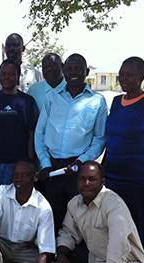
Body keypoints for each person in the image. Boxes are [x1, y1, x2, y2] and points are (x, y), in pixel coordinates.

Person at [56, 161, 144, 263]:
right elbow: (68, 232)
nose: (86, 183)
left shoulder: (113, 204)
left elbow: (118, 244)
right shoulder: (74, 203)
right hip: (98, 261)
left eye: (92, 179)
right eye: (82, 179)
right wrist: (61, 256)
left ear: (102, 182)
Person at [35, 53, 108, 235]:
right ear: (63, 71)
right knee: (52, 216)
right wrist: (45, 163)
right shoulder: (52, 97)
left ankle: (73, 260)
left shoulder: (97, 101)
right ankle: (52, 256)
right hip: (52, 168)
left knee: (79, 220)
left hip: (79, 168)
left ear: (87, 71)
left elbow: (100, 138)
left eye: (77, 68)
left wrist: (81, 161)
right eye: (69, 68)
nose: (72, 72)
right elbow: (40, 132)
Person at [104, 57, 144, 263]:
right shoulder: (116, 102)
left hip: (140, 182)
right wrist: (103, 171)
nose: (124, 79)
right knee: (113, 226)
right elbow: (111, 141)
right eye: (121, 74)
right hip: (113, 180)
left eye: (129, 75)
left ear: (142, 76)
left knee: (139, 229)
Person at [0, 59, 38, 197]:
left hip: (19, 166)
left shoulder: (27, 102)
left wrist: (30, 165)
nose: (7, 77)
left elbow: (31, 136)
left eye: (11, 74)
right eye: (3, 74)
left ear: (18, 76)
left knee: (18, 204)